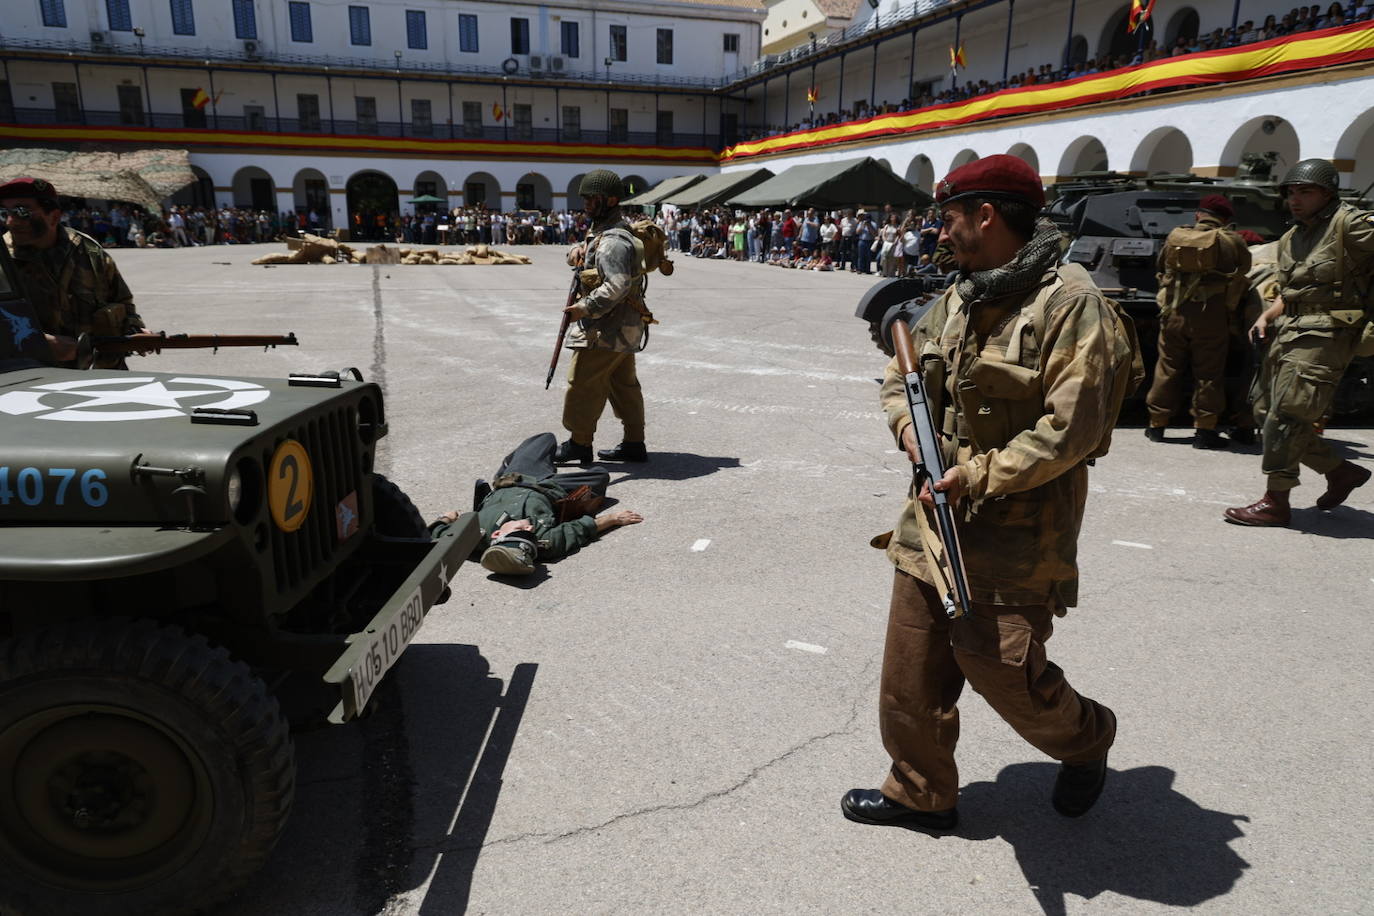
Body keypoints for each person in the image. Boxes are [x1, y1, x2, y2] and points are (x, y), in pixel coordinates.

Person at [844, 155, 1122, 833]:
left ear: (986, 217)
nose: (942, 230)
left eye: (950, 217)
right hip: (933, 516)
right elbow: (897, 377)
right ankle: (920, 791)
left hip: (1019, 529)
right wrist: (910, 428)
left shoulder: (1073, 306)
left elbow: (1071, 431)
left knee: (1002, 668)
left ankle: (1086, 740)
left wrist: (974, 474)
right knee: (910, 669)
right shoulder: (961, 296)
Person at [1224, 159, 1374, 526]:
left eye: (1305, 192)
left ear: (1328, 193)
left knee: (1287, 417)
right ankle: (1340, 471)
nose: (1295, 199)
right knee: (1263, 411)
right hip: (1290, 328)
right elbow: (1292, 290)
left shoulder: (1350, 224)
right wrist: (1267, 315)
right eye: (1291, 192)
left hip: (1328, 332)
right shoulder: (1294, 236)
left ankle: (1276, 501)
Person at [430, 432, 643, 576]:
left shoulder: (475, 535)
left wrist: (447, 517)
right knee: (600, 477)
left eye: (522, 530)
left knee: (545, 439)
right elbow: (580, 529)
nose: (530, 528)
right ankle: (534, 465)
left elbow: (436, 537)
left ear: (496, 535)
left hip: (517, 479)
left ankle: (508, 466)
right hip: (553, 490)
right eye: (530, 534)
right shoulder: (543, 543)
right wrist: (614, 519)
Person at [555, 169, 655, 466]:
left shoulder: (613, 240)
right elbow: (586, 252)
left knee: (582, 382)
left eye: (592, 198)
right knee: (623, 384)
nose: (586, 203)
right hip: (624, 328)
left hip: (605, 329)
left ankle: (579, 443)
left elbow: (617, 285)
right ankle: (634, 442)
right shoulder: (603, 232)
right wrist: (575, 252)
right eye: (584, 197)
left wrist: (584, 308)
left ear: (611, 200)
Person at [1144, 194, 1253, 448]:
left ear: (1198, 215)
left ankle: (1157, 425)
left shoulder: (1176, 236)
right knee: (1208, 373)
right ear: (1225, 219)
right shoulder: (1232, 241)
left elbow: (1160, 267)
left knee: (1167, 368)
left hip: (1174, 313)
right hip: (1211, 315)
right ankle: (1204, 431)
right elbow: (1245, 269)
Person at [1, 177, 144, 368]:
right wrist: (37, 342)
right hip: (32, 379)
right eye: (4, 213)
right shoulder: (2, 259)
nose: (11, 222)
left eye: (22, 212)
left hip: (100, 373)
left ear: (53, 216)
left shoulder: (88, 251)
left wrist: (135, 331)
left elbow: (121, 301)